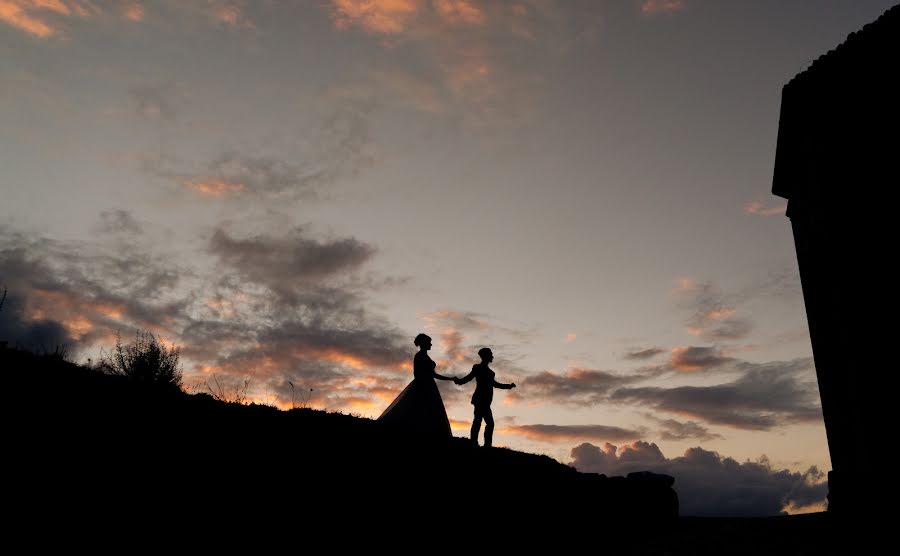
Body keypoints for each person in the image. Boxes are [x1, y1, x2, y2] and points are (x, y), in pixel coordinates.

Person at [378, 333, 456, 438]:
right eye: (429, 342)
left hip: (429, 386)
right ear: (424, 343)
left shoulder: (425, 356)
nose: (431, 344)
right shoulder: (419, 356)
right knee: (418, 409)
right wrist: (423, 384)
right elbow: (417, 373)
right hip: (422, 386)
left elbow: (433, 374)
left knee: (428, 411)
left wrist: (450, 378)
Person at [455, 347, 516, 448]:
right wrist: (460, 381)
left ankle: (484, 444)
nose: (492, 356)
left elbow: (495, 384)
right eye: (490, 354)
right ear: (485, 356)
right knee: (481, 421)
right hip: (479, 399)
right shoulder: (477, 368)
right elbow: (469, 377)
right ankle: (476, 443)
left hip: (486, 401)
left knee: (484, 422)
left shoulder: (491, 373)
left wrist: (508, 386)